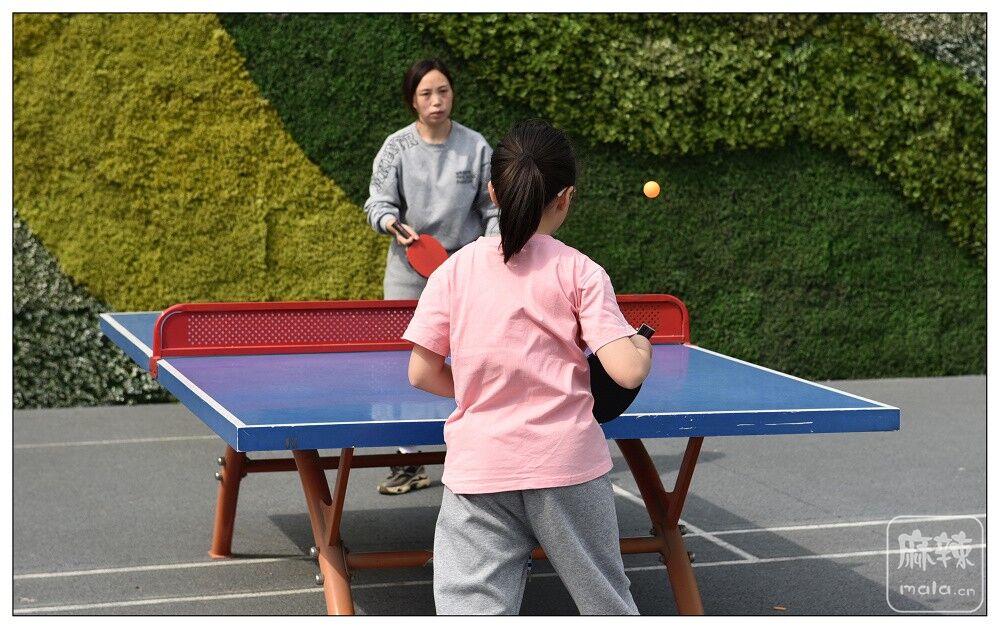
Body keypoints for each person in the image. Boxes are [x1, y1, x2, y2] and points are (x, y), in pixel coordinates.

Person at [402, 119, 650, 615]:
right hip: (567, 466)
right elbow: (626, 371)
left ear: (492, 191)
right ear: (566, 198)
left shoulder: (452, 271)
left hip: (479, 469)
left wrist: (480, 386)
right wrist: (641, 347)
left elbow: (421, 372)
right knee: (606, 605)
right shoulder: (581, 271)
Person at [364, 59, 499, 495]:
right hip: (409, 270)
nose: (437, 100)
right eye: (426, 93)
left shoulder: (476, 147)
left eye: (443, 91)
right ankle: (408, 461)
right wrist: (392, 224)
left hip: (465, 272)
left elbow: (494, 208)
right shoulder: (396, 147)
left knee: (474, 358)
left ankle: (476, 450)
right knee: (403, 364)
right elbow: (377, 202)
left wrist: (490, 249)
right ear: (413, 100)